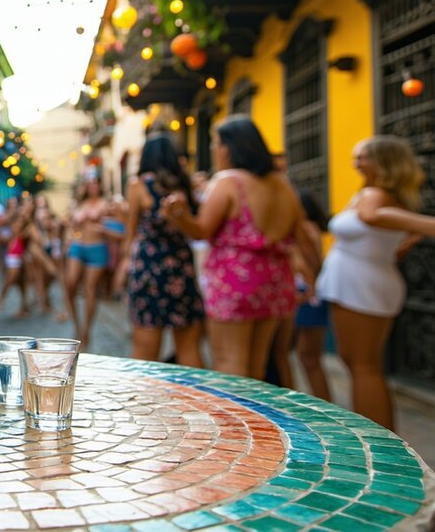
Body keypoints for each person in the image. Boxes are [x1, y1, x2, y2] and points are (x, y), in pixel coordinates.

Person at [164, 116, 312, 379]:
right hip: (276, 280)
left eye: (215, 143)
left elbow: (202, 230)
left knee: (229, 363)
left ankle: (233, 423)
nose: (214, 149)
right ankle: (258, 421)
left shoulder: (228, 181)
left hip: (236, 282)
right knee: (257, 367)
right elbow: (302, 236)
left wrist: (178, 215)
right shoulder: (282, 185)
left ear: (227, 148)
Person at [316, 136, 435, 430]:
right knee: (360, 364)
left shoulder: (374, 196)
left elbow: (371, 217)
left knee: (363, 366)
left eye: (363, 156)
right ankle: (377, 435)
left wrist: (422, 226)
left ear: (383, 161)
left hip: (362, 285)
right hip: (365, 280)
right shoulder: (385, 194)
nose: (356, 162)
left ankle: (378, 440)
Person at [124, 134, 205, 368]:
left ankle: (142, 404)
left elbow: (131, 232)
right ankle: (196, 402)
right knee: (189, 349)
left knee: (145, 352)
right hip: (181, 269)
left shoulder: (138, 185)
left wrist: (123, 265)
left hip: (149, 269)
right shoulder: (185, 185)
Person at [64, 170, 114, 349]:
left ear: (100, 184)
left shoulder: (106, 203)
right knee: (70, 284)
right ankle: (77, 326)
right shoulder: (80, 203)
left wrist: (102, 223)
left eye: (95, 182)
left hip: (97, 247)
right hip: (78, 245)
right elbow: (70, 224)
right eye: (89, 182)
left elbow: (117, 222)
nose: (93, 185)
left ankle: (86, 331)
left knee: (90, 289)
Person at [291, 189, 330, 401]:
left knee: (309, 356)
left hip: (308, 295)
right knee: (307, 356)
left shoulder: (305, 229)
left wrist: (310, 287)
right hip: (310, 294)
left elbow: (313, 264)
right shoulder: (310, 228)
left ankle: (323, 404)